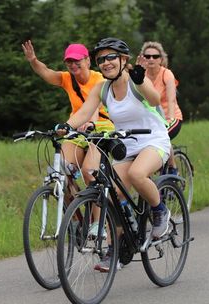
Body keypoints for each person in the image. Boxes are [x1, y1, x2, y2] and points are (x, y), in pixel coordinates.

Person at [55, 37, 171, 271]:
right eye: (101, 60)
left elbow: (155, 99)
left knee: (138, 174)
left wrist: (142, 80)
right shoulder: (102, 88)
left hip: (154, 139)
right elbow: (84, 112)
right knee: (108, 192)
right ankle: (117, 246)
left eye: (110, 57)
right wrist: (65, 127)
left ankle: (160, 212)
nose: (105, 63)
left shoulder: (135, 80)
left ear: (123, 59)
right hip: (127, 145)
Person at [21, 40, 114, 183]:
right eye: (69, 61)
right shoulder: (67, 78)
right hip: (76, 128)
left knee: (89, 173)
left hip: (100, 127)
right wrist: (33, 60)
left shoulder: (99, 79)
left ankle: (97, 202)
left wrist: (90, 122)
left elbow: (95, 106)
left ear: (88, 60)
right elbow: (46, 72)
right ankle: (73, 204)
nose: (73, 64)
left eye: (77, 60)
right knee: (62, 174)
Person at [137, 41, 183, 174]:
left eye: (155, 56)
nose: (151, 59)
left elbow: (171, 99)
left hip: (170, 116)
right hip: (151, 119)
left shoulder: (166, 74)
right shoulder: (142, 76)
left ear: (161, 59)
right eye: (147, 56)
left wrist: (171, 119)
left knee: (162, 133)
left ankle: (173, 167)